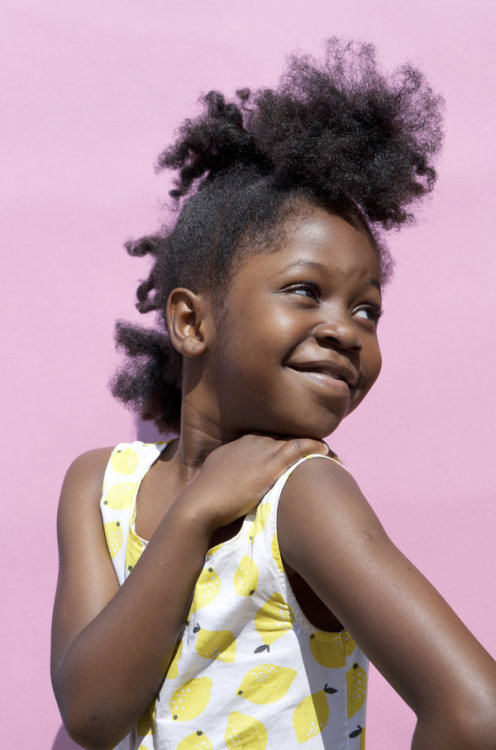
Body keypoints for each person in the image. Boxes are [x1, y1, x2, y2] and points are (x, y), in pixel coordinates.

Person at [51, 40, 496, 750]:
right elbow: (92, 712)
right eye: (306, 291)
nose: (346, 331)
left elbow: (477, 713)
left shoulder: (303, 495)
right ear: (192, 322)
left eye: (367, 310)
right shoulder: (100, 485)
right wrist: (195, 514)